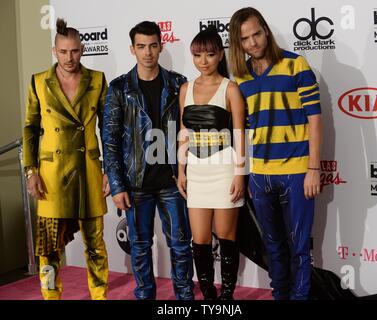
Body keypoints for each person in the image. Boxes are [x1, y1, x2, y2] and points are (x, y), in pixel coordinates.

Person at [229, 7, 322, 300]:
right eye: (245, 38)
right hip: (261, 176)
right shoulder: (241, 77)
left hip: (297, 172)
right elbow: (243, 129)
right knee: (273, 248)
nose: (253, 42)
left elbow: (315, 119)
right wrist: (247, 175)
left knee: (299, 248)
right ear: (239, 43)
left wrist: (314, 168)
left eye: (257, 33)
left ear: (266, 30)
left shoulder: (296, 65)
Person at [102, 21, 194, 300]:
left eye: (153, 45)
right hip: (135, 183)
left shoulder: (179, 83)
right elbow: (110, 140)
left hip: (171, 181)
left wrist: (185, 171)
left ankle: (184, 298)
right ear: (132, 49)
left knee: (180, 246)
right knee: (139, 247)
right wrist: (117, 186)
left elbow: (187, 132)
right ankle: (145, 296)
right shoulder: (119, 88)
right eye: (141, 46)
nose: (148, 52)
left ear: (161, 46)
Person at [22, 18, 109, 300]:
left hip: (88, 171)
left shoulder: (97, 80)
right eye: (63, 51)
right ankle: (50, 296)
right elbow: (30, 128)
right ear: (54, 51)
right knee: (48, 248)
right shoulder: (38, 82)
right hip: (51, 176)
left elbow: (108, 128)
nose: (69, 57)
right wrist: (30, 171)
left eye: (74, 51)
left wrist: (110, 170)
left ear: (82, 50)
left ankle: (99, 295)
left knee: (95, 244)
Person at [177, 28, 246, 300]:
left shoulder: (231, 89)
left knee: (227, 237)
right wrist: (181, 170)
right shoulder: (186, 89)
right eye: (197, 55)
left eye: (209, 54)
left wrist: (240, 174)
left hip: (225, 168)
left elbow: (240, 135)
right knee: (200, 240)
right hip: (196, 169)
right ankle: (208, 294)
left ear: (220, 55)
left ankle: (227, 296)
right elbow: (183, 132)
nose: (203, 60)